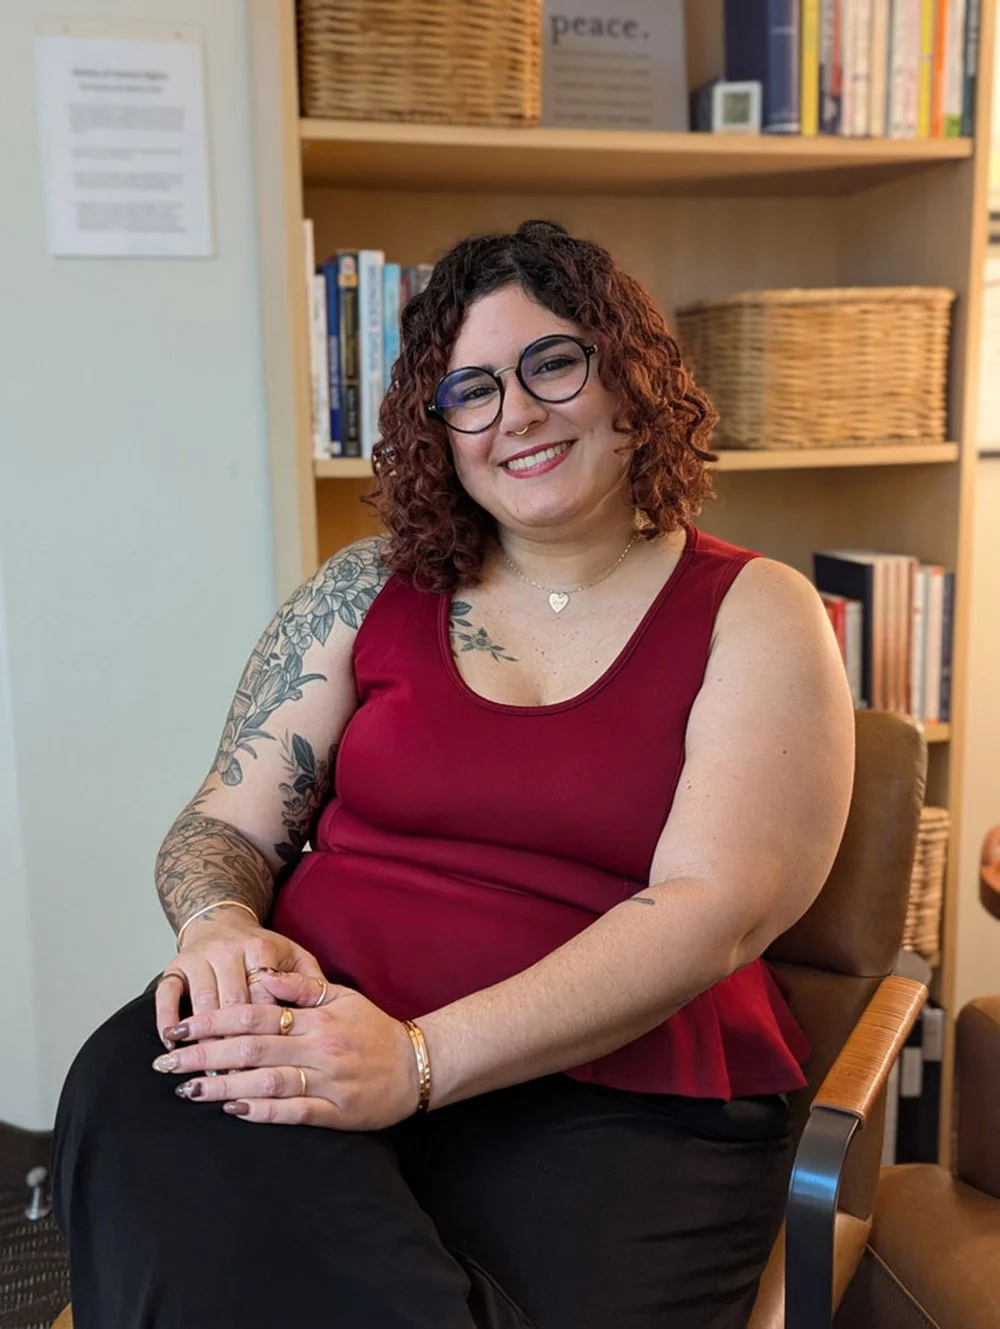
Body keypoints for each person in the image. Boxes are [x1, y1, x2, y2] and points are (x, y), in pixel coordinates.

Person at [53, 219, 855, 1329]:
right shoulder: (363, 588)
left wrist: (417, 1062)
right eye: (469, 389)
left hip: (615, 1096)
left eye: (552, 363)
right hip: (317, 1025)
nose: (514, 414)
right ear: (440, 430)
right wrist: (216, 927)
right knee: (134, 1081)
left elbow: (709, 912)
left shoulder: (755, 610)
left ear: (631, 376)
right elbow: (223, 826)